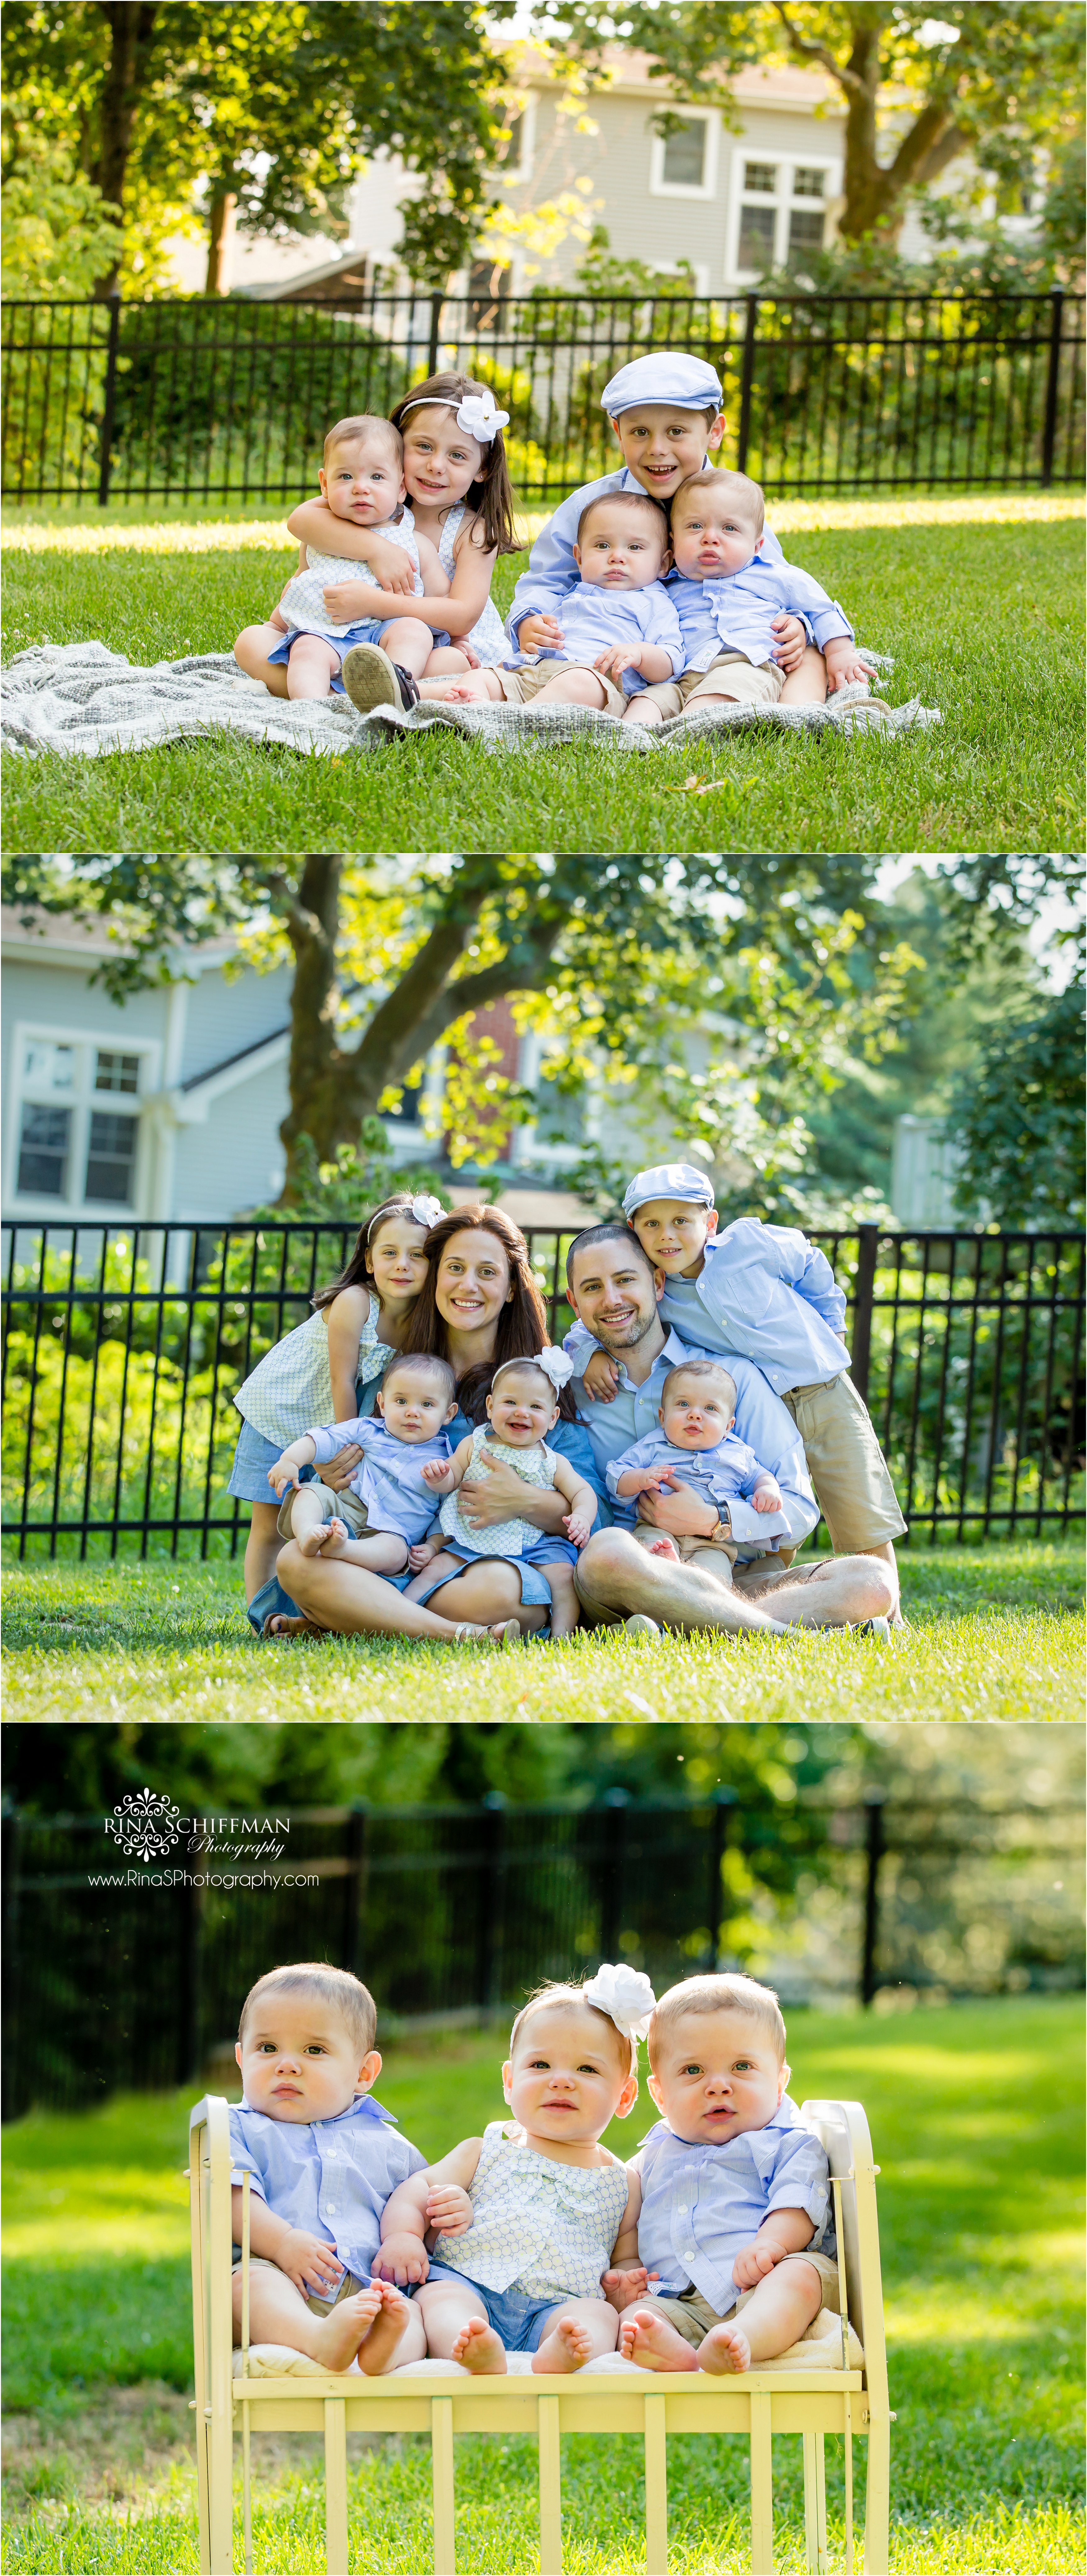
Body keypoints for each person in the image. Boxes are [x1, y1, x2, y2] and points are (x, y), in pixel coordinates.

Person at [567, 1165, 906, 1617]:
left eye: (627, 1280)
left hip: (813, 1396)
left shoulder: (730, 1369)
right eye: (653, 1225)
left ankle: (701, 1617)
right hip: (629, 1568)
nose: (612, 1299)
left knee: (868, 1561)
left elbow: (798, 1510)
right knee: (614, 1552)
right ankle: (756, 1621)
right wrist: (587, 1353)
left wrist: (718, 1520)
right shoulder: (568, 1381)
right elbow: (587, 1327)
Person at [275, 1206, 607, 1644]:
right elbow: (348, 1468)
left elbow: (594, 1519)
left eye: (487, 1272)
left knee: (502, 1591)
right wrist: (336, 1475)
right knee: (295, 1562)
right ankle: (451, 1633)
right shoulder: (397, 1379)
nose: (468, 1285)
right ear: (436, 1279)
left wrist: (525, 1500)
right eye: (455, 1268)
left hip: (491, 1568)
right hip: (392, 1556)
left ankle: (352, 1614)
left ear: (511, 1288)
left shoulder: (536, 1391)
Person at [373, 1965, 653, 2375]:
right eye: (540, 2065)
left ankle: (563, 2350)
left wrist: (623, 2286)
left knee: (596, 2316)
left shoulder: (623, 2182)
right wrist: (404, 2235)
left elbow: (625, 2257)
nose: (561, 2080)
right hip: (471, 2282)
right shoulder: (484, 2150)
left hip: (560, 2302)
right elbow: (418, 2188)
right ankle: (470, 2343)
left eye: (587, 2069)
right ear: (509, 2080)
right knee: (442, 2298)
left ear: (625, 2095)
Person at [503, 354, 829, 706]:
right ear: (618, 433)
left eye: (676, 432)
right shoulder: (594, 505)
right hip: (626, 653)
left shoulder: (733, 508)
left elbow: (773, 583)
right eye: (640, 433)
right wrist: (530, 619)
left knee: (811, 655)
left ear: (713, 432)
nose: (657, 450)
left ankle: (799, 715)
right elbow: (548, 578)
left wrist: (795, 626)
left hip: (716, 649)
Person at [602, 1972, 841, 2376]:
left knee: (802, 2275)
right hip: (682, 2302)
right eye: (693, 2070)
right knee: (637, 2318)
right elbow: (626, 2230)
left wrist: (770, 2244)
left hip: (764, 2286)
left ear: (779, 2082)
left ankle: (743, 2338)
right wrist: (627, 2276)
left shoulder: (788, 2142)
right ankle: (678, 2353)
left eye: (742, 2066)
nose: (718, 2086)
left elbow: (798, 2201)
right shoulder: (650, 2160)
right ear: (660, 2095)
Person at [228, 1191, 443, 1611]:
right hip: (283, 1412)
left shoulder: (421, 1318)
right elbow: (342, 1380)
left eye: (418, 1255)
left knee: (329, 1516)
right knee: (270, 1524)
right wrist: (353, 1449)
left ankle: (309, 1608)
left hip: (333, 1423)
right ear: (368, 1260)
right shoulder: (356, 1301)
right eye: (390, 1252)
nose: (403, 1264)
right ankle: (262, 1612)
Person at [227, 1961, 428, 2373]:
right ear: (241, 2059)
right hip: (281, 2279)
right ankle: (316, 2338)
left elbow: (421, 2204)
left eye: (314, 2049)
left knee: (412, 2313)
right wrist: (283, 2243)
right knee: (246, 2285)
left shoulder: (389, 2144)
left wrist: (426, 2225)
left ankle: (382, 2350)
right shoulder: (238, 2126)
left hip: (371, 2291)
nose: (287, 2064)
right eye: (267, 2048)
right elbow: (231, 2202)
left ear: (364, 2072)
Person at [292, 375, 518, 714]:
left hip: (437, 643)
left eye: (457, 455)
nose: (436, 465)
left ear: (482, 469)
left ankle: (373, 689)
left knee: (449, 661)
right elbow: (300, 521)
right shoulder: (372, 502)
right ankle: (357, 693)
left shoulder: (471, 530)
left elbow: (461, 616)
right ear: (397, 444)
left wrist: (374, 603)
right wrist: (378, 549)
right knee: (253, 645)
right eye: (424, 447)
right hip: (345, 636)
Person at [233, 414, 471, 702]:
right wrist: (276, 627)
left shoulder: (414, 544)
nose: (361, 487)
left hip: (387, 637)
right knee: (266, 643)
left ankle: (392, 686)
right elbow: (300, 584)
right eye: (346, 477)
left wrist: (460, 641)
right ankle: (313, 705)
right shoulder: (324, 538)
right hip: (326, 634)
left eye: (377, 477)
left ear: (400, 488)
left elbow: (441, 597)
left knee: (423, 638)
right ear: (324, 485)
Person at [627, 467, 877, 725]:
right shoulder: (661, 587)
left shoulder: (772, 576)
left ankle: (688, 734)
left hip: (745, 667)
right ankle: (630, 738)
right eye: (695, 526)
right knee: (645, 702)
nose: (710, 538)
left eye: (730, 528)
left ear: (756, 545)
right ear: (673, 540)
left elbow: (822, 610)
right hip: (679, 677)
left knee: (712, 702)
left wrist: (840, 653)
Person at [417, 490, 683, 717]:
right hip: (531, 672)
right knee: (482, 677)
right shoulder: (573, 591)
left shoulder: (654, 602)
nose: (617, 557)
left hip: (596, 682)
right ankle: (414, 694)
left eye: (635, 548)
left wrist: (639, 654)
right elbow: (536, 608)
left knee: (578, 682)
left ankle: (510, 719)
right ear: (579, 558)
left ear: (663, 563)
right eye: (602, 545)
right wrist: (530, 625)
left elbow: (671, 660)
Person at [408, 1350, 596, 1638]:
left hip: (535, 1543)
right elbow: (454, 1475)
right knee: (435, 1568)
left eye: (535, 1407)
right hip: (472, 1537)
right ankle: (401, 1614)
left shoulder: (553, 1461)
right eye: (511, 1402)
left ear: (553, 1418)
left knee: (562, 1576)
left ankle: (563, 1634)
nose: (522, 1412)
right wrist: (441, 1476)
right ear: (490, 1406)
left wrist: (582, 1516)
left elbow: (583, 1491)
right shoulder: (476, 1443)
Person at [607, 1358, 791, 1586]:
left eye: (710, 1409)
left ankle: (691, 1585)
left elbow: (759, 1476)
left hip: (714, 1544)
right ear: (663, 1417)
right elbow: (617, 1477)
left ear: (727, 1427)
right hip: (658, 1531)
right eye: (683, 1404)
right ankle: (666, 1568)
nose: (695, 1415)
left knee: (713, 1578)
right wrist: (639, 1479)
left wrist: (768, 1489)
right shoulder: (652, 1447)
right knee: (645, 1557)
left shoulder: (738, 1454)